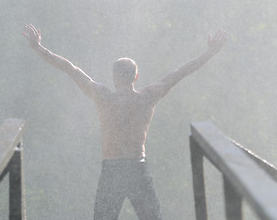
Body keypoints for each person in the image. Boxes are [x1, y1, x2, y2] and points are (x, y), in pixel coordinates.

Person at [23, 24, 228, 220]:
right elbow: (179, 74)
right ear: (136, 76)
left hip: (112, 169)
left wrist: (38, 48)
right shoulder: (147, 98)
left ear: (113, 77)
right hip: (137, 167)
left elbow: (70, 69)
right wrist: (210, 53)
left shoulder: (103, 97)